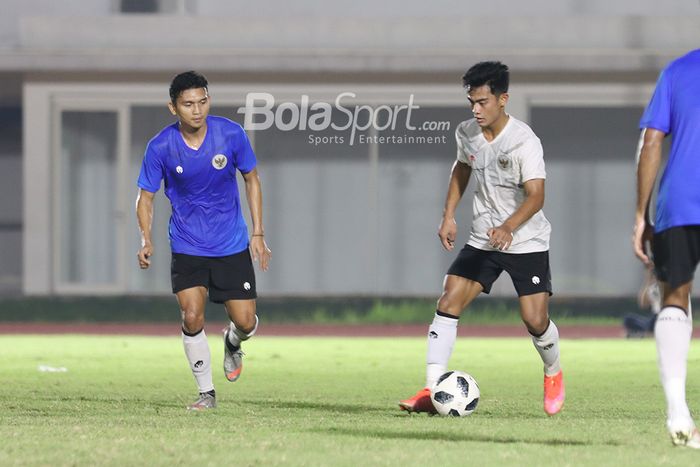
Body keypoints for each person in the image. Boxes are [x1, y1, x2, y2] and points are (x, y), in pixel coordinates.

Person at [399, 61, 564, 416]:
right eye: (471, 102)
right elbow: (462, 169)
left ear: (503, 99)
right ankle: (432, 388)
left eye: (483, 102)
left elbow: (536, 196)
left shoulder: (524, 141)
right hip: (482, 239)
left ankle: (553, 371)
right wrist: (448, 215)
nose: (475, 109)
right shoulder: (467, 133)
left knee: (535, 320)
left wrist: (508, 227)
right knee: (449, 299)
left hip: (526, 241)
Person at [136, 71, 271, 411]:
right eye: (188, 104)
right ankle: (206, 393)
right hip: (187, 245)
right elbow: (146, 197)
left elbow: (252, 179)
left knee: (246, 321)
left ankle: (233, 340)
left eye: (202, 101)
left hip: (231, 244)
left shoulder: (231, 134)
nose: (197, 110)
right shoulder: (160, 146)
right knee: (192, 316)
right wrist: (145, 239)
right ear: (173, 108)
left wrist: (258, 233)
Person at [633, 48, 700, 448]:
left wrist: (641, 214)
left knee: (675, 296)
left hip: (679, 203)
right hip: (679, 203)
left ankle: (678, 412)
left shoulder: (678, 70)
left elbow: (652, 140)